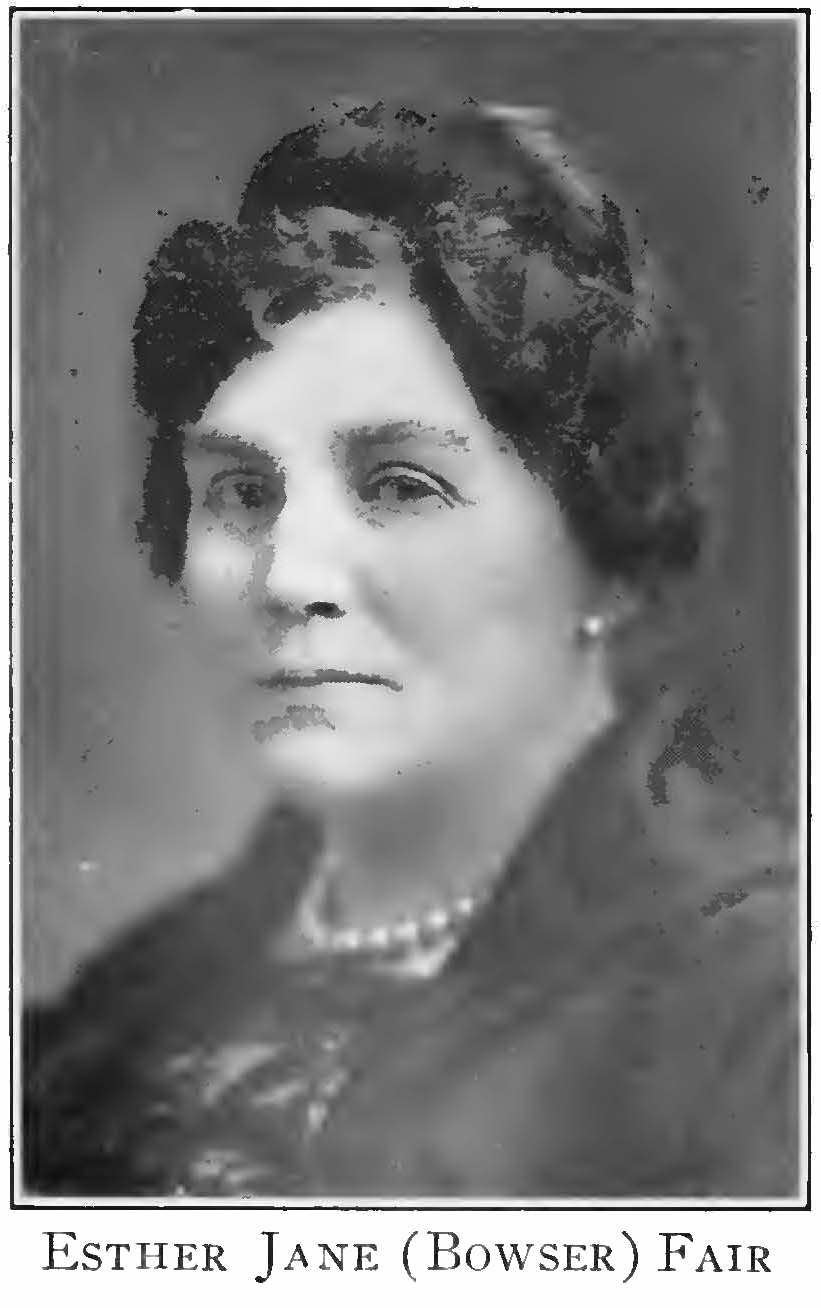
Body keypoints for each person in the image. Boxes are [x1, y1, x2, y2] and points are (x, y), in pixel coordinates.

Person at [24, 100, 797, 1198]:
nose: (287, 577)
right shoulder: (124, 1008)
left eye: (398, 484)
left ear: (605, 546)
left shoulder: (763, 1013)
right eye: (238, 492)